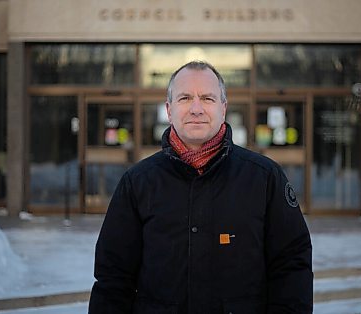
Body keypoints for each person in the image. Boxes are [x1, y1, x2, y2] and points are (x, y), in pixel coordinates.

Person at [89, 61, 313, 313]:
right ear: (169, 109)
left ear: (224, 108)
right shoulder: (138, 182)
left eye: (207, 98)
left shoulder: (264, 178)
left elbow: (292, 266)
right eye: (185, 98)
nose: (196, 109)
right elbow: (113, 278)